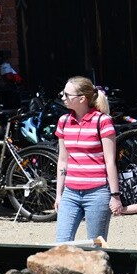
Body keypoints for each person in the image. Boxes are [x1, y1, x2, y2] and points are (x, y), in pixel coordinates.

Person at [55, 77, 120, 242]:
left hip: (97, 192)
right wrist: (59, 194)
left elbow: (110, 161)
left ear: (82, 99)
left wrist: (115, 195)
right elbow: (63, 160)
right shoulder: (63, 121)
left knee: (96, 247)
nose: (63, 97)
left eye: (67, 94)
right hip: (70, 192)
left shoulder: (103, 121)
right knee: (61, 244)